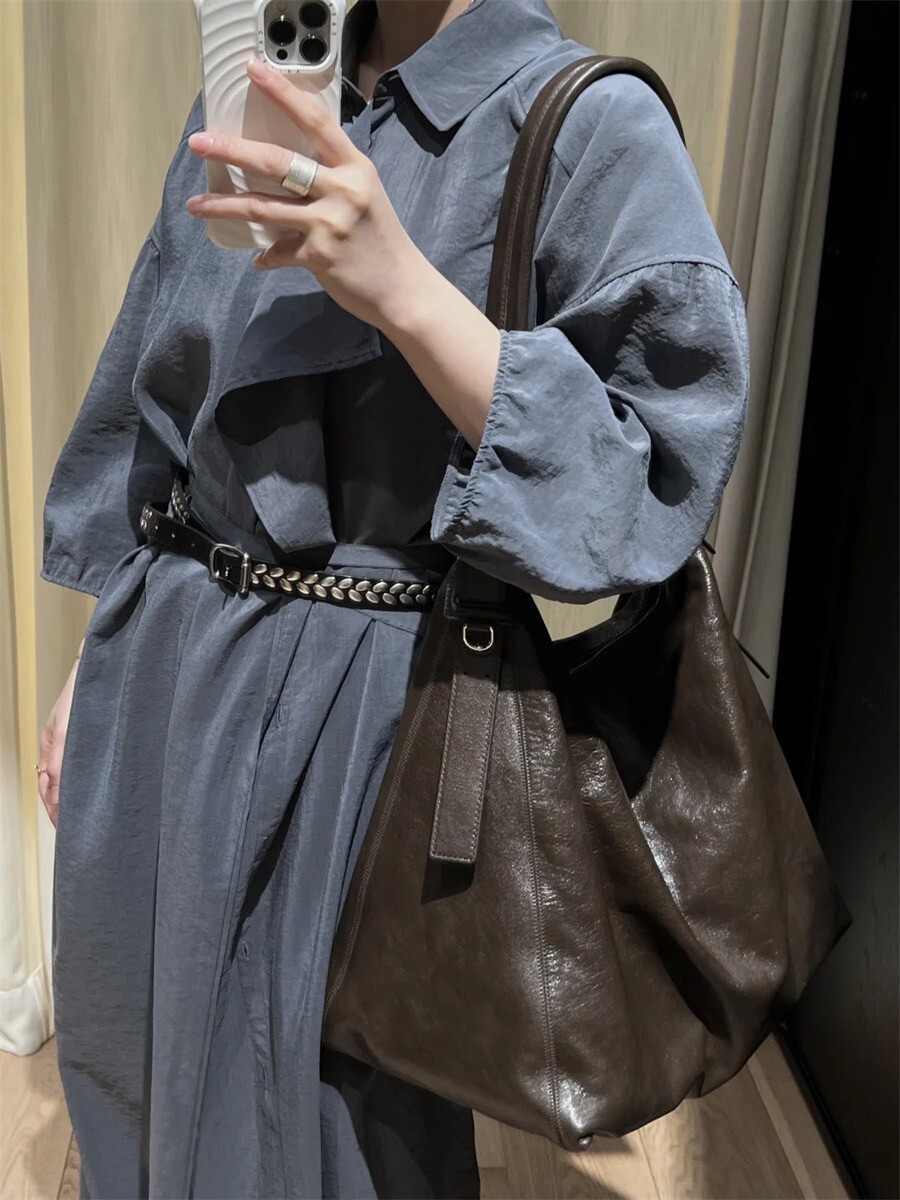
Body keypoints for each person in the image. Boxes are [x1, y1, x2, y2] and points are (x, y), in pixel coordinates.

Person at [37, 0, 751, 1196]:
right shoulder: (269, 86)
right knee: (135, 1063)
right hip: (163, 665)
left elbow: (648, 482)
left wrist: (405, 289)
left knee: (322, 1131)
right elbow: (156, 392)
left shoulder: (588, 126)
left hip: (373, 718)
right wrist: (90, 658)